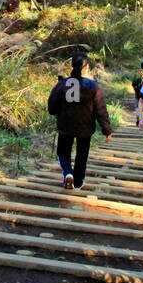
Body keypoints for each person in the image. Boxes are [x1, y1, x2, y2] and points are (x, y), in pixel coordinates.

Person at [47, 51, 113, 190]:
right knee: (82, 155)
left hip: (65, 124)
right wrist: (107, 130)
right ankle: (78, 182)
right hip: (85, 126)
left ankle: (68, 173)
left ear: (72, 66)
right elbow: (100, 110)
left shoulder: (63, 84)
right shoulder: (93, 86)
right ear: (87, 67)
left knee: (63, 152)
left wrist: (54, 112)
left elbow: (52, 102)